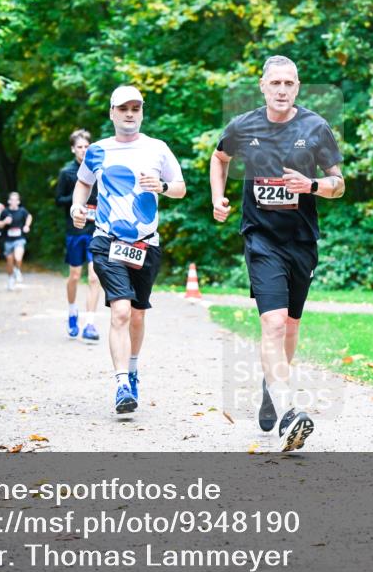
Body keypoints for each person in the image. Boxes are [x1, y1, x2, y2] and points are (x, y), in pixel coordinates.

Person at [209, 55, 345, 451]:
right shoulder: (244, 125)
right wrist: (219, 197)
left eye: (289, 83)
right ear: (263, 87)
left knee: (290, 326)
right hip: (261, 237)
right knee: (272, 322)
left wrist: (314, 185)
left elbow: (339, 183)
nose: (282, 90)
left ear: (297, 87)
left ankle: (273, 383)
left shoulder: (316, 128)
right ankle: (288, 412)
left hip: (300, 241)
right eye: (276, 84)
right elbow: (219, 158)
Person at [71, 86, 185, 414]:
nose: (130, 113)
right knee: (120, 310)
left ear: (142, 112)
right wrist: (77, 208)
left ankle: (132, 369)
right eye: (123, 108)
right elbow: (83, 183)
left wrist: (162, 186)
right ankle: (121, 384)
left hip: (146, 244)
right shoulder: (97, 151)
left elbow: (180, 188)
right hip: (108, 241)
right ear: (112, 113)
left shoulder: (157, 148)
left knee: (137, 314)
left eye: (136, 108)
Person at [56, 129, 102, 340]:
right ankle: (72, 311)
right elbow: (59, 200)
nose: (83, 150)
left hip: (96, 231)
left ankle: (90, 324)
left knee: (95, 277)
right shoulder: (67, 172)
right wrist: (77, 204)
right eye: (79, 147)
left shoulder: (99, 170)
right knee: (74, 276)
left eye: (86, 146)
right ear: (73, 149)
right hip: (75, 231)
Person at [0, 192, 32, 291]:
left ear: (18, 201)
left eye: (15, 200)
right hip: (8, 240)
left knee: (18, 257)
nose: (13, 201)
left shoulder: (22, 211)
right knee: (9, 261)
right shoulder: (5, 212)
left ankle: (17, 270)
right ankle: (10, 279)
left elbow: (29, 216)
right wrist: (4, 222)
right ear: (9, 201)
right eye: (12, 200)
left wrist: (26, 226)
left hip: (19, 239)